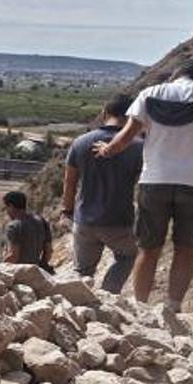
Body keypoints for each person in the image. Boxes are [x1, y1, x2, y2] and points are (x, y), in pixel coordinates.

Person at [94, 61, 193, 317]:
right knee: (185, 248)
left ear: (175, 76)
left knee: (149, 248)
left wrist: (106, 149)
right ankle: (172, 308)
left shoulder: (150, 93)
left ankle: (141, 307)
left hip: (154, 180)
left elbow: (128, 134)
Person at [61, 93, 142, 293]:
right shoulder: (138, 147)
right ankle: (108, 295)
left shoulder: (81, 142)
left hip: (85, 220)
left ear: (105, 113)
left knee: (83, 271)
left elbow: (69, 182)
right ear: (132, 115)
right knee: (127, 257)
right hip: (119, 220)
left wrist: (68, 211)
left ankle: (78, 308)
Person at [2, 191, 52, 270]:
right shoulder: (42, 221)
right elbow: (48, 252)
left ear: (11, 206)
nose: (6, 212)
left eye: (6, 208)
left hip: (18, 273)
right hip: (36, 271)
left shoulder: (14, 226)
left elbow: (14, 256)